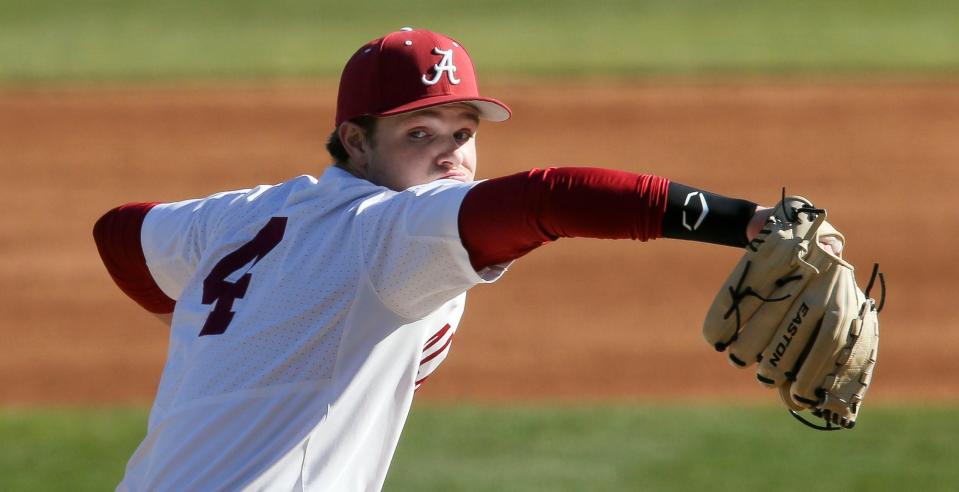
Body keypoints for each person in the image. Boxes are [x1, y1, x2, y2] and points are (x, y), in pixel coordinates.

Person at [94, 27, 776, 491]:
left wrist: (199, 325)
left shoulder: (244, 213)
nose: (451, 153)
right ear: (355, 143)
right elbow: (547, 200)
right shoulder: (388, 231)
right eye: (418, 132)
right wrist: (743, 222)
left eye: (463, 131)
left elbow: (121, 234)